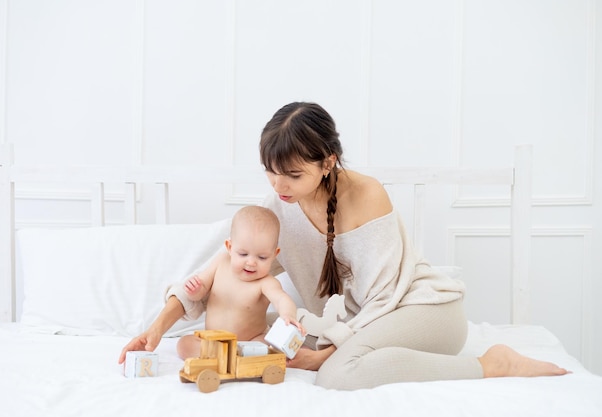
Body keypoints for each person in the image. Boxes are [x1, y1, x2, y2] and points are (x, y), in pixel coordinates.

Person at [255, 101, 568, 390]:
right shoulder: (281, 201)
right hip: (371, 322)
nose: (279, 185)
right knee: (262, 326)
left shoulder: (366, 195)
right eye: (271, 171)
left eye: (293, 175)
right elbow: (240, 258)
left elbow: (383, 298)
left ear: (327, 163)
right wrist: (205, 288)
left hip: (423, 311)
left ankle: (490, 364)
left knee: (337, 374)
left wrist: (324, 356)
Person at [118, 205, 304, 364]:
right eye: (243, 254)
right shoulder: (220, 263)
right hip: (213, 342)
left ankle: (237, 358)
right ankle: (221, 357)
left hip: (249, 341)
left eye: (262, 257)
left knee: (268, 345)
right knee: (184, 344)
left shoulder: (266, 283)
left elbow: (282, 299)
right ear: (230, 247)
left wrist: (288, 315)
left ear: (274, 254)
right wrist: (194, 289)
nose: (251, 262)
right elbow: (199, 293)